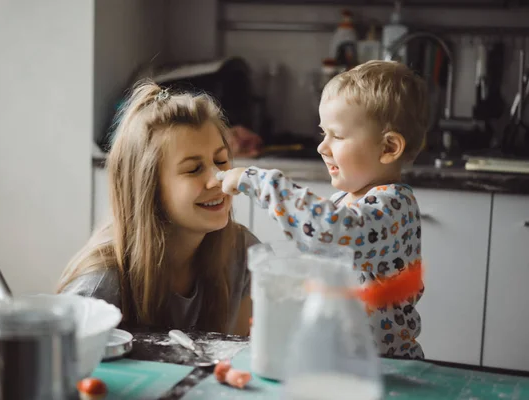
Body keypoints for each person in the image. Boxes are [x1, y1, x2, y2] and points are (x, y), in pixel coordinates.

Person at [218, 60, 429, 358]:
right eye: (323, 134)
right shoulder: (348, 200)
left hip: (384, 367)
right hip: (343, 359)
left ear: (388, 148)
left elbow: (328, 232)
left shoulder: (392, 205)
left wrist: (260, 182)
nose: (322, 147)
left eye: (338, 136)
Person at [57, 81, 259, 336]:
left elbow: (241, 359)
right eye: (193, 169)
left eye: (220, 160)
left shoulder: (243, 253)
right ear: (148, 186)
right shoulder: (98, 288)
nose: (218, 178)